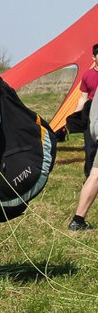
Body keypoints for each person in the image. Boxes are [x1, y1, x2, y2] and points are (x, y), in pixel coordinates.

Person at [68, 43, 98, 231]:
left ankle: (78, 221)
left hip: (96, 122)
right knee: (93, 172)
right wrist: (76, 118)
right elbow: (83, 97)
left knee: (95, 173)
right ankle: (78, 221)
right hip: (93, 120)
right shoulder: (88, 75)